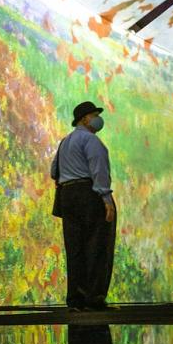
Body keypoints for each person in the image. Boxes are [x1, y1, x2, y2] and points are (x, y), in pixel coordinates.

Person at [50, 100, 117, 311]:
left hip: (67, 196)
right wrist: (106, 200)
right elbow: (99, 170)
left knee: (75, 249)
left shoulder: (64, 142)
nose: (98, 119)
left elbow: (54, 171)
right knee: (97, 246)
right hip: (89, 195)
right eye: (95, 115)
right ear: (85, 119)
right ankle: (94, 299)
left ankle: (75, 300)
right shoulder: (91, 140)